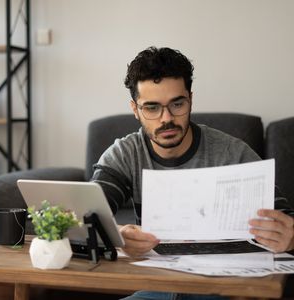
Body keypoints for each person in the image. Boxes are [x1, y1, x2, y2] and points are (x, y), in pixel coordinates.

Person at [91, 46, 294, 300]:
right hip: (159, 287)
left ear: (190, 99)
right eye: (152, 108)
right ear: (135, 109)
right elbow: (88, 216)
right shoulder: (125, 153)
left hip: (226, 290)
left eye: (177, 104)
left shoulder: (232, 153)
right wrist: (117, 235)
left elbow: (285, 220)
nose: (167, 119)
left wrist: (290, 236)